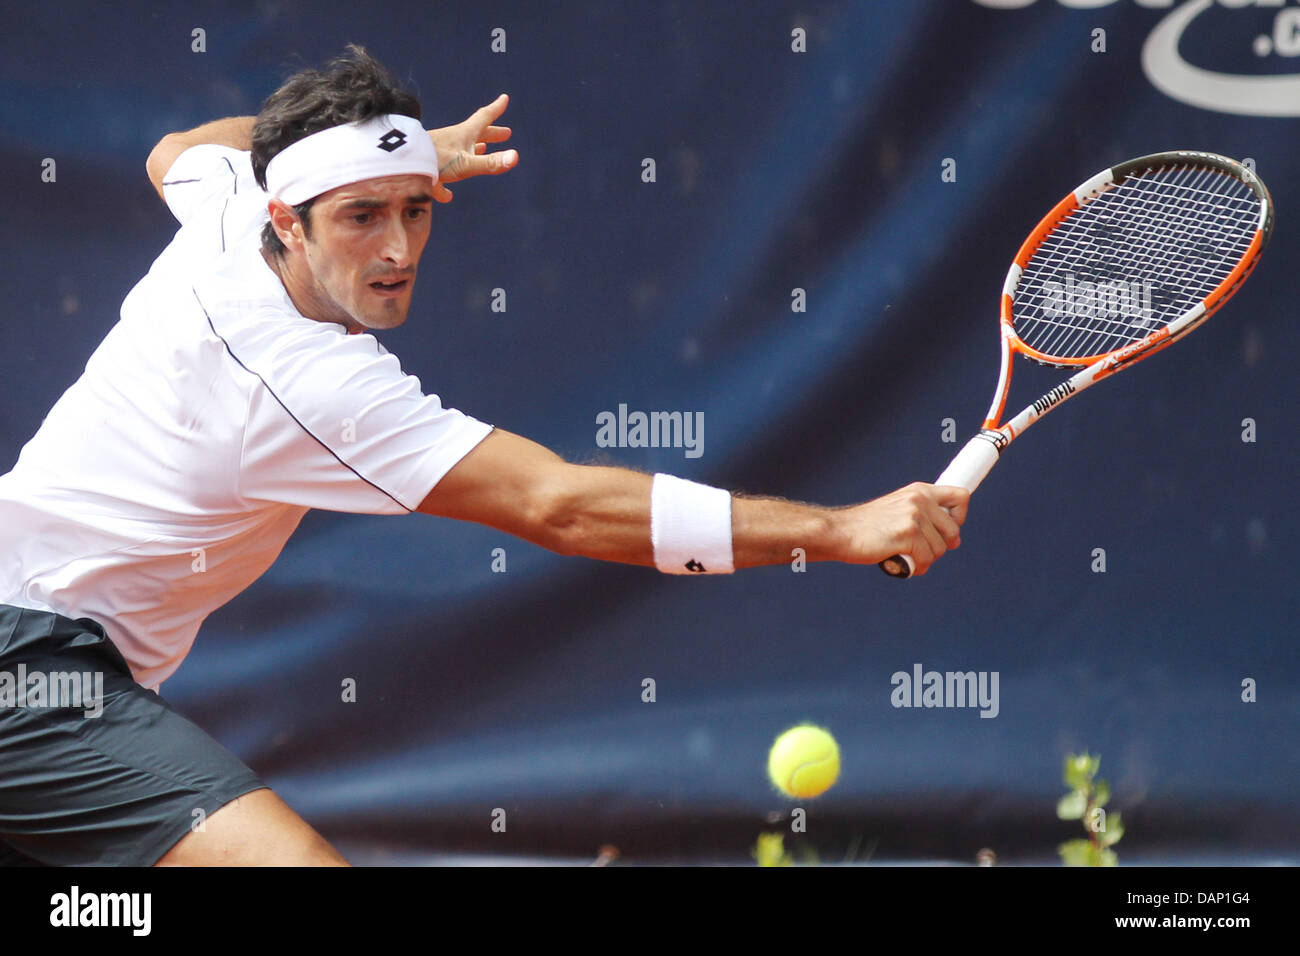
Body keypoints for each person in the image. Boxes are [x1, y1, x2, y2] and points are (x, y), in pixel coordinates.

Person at [0, 45, 968, 867]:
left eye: (414, 207)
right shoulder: (310, 381)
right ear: (286, 219)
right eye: (361, 215)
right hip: (29, 663)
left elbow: (180, 151)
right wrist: (837, 527)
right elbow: (562, 505)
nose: (397, 246)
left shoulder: (224, 217)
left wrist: (396, 154)